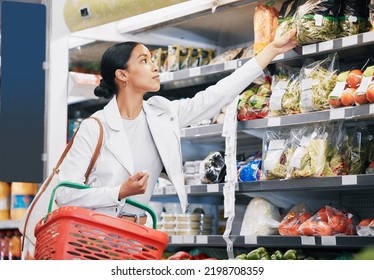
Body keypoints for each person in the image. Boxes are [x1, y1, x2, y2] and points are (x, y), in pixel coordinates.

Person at [56, 30, 298, 224]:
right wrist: (119, 191)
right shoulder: (95, 127)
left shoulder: (163, 115)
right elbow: (63, 194)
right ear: (122, 74)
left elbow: (217, 95)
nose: (154, 66)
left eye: (152, 60)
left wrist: (272, 50)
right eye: (144, 61)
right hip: (95, 236)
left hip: (137, 236)